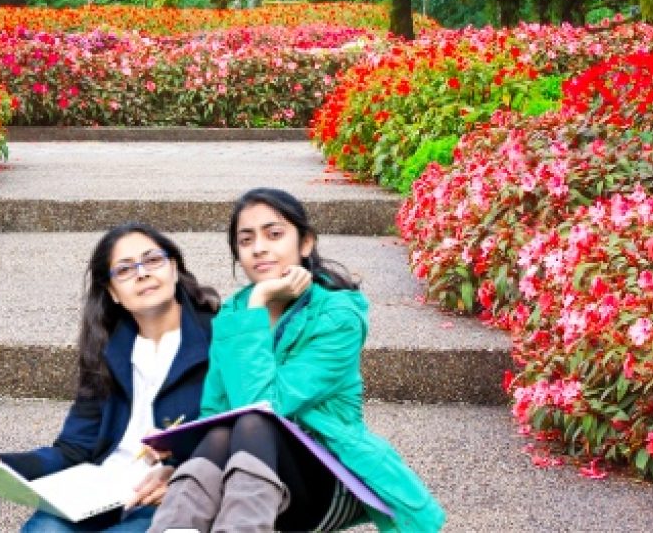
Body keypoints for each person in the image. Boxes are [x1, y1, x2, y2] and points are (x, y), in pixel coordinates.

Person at [150, 188, 445, 533]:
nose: (259, 247)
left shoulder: (337, 316)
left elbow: (261, 405)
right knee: (217, 431)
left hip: (328, 479)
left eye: (274, 234)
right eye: (246, 241)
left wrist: (259, 300)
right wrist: (181, 459)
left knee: (253, 423)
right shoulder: (234, 313)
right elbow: (216, 410)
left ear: (305, 244)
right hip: (247, 481)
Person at [0, 222, 220, 532]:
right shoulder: (108, 350)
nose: (142, 273)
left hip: (170, 495)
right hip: (100, 491)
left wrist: (180, 471)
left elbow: (239, 433)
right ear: (112, 292)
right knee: (45, 529)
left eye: (153, 260)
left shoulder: (221, 338)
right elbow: (73, 449)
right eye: (125, 269)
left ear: (175, 268)